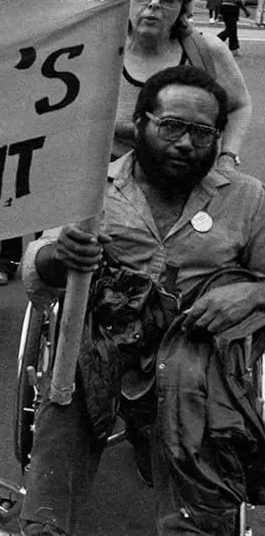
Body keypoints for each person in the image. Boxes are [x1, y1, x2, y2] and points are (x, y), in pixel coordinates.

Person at [18, 65, 265, 535]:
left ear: (217, 137)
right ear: (141, 122)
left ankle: (194, 522)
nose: (186, 143)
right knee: (66, 388)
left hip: (197, 346)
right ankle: (45, 524)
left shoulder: (247, 198)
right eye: (171, 126)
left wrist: (253, 291)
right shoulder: (93, 188)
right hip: (108, 334)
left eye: (201, 132)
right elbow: (37, 275)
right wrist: (58, 255)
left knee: (195, 401)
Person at [114, 0, 250, 164]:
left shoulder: (206, 50)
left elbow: (239, 106)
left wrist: (228, 158)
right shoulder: (100, 48)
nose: (154, 3)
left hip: (182, 183)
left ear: (184, 6)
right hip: (104, 183)